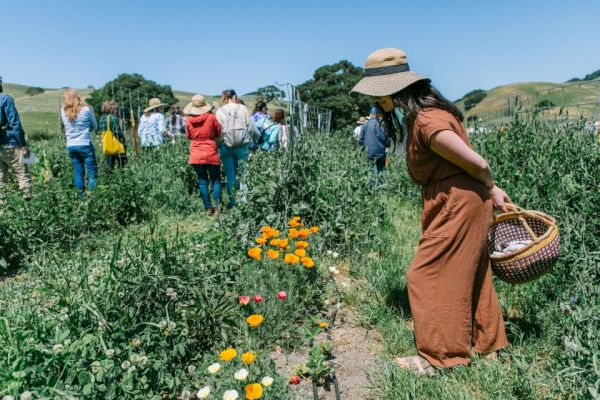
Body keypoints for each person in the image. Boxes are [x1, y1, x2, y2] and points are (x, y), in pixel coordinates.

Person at [351, 48, 509, 374]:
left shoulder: (427, 120)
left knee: (426, 276)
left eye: (380, 95)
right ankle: (487, 346)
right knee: (473, 273)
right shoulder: (426, 114)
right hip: (461, 198)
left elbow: (477, 162)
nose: (379, 102)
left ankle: (439, 357)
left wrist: (492, 187)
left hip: (458, 200)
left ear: (396, 90)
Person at [184, 95, 222, 215]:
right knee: (216, 180)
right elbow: (219, 132)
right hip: (210, 151)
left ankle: (208, 207)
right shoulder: (211, 117)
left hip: (196, 153)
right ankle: (217, 207)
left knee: (202, 181)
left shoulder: (189, 120)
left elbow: (188, 136)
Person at [216, 89, 254, 207]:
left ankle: (233, 203)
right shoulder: (242, 108)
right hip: (242, 146)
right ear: (235, 96)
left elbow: (218, 131)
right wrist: (247, 140)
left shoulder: (219, 111)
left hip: (226, 146)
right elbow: (251, 128)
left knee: (230, 175)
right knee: (243, 174)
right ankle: (244, 202)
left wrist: (219, 145)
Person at [0, 77, 33, 201]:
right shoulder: (5, 99)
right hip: (9, 143)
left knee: (0, 180)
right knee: (23, 174)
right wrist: (23, 144)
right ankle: (28, 207)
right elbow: (15, 124)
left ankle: (2, 210)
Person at [61, 88, 98, 193]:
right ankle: (95, 197)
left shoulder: (63, 111)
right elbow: (95, 126)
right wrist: (86, 129)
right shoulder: (86, 110)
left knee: (78, 172)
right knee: (92, 173)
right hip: (85, 144)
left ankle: (81, 198)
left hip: (71, 145)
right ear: (77, 97)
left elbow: (65, 127)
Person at [358, 111, 390, 187]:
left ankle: (373, 186)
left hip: (368, 151)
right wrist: (387, 145)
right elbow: (384, 137)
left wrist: (363, 146)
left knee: (371, 168)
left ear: (371, 114)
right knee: (382, 168)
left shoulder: (365, 124)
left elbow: (361, 139)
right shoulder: (381, 124)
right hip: (380, 151)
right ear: (378, 114)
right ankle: (383, 185)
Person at [99, 100, 127, 168]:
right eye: (115, 108)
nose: (116, 110)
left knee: (110, 166)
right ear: (111, 109)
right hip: (116, 145)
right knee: (122, 165)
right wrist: (123, 142)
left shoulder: (102, 118)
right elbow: (117, 132)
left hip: (107, 145)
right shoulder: (113, 118)